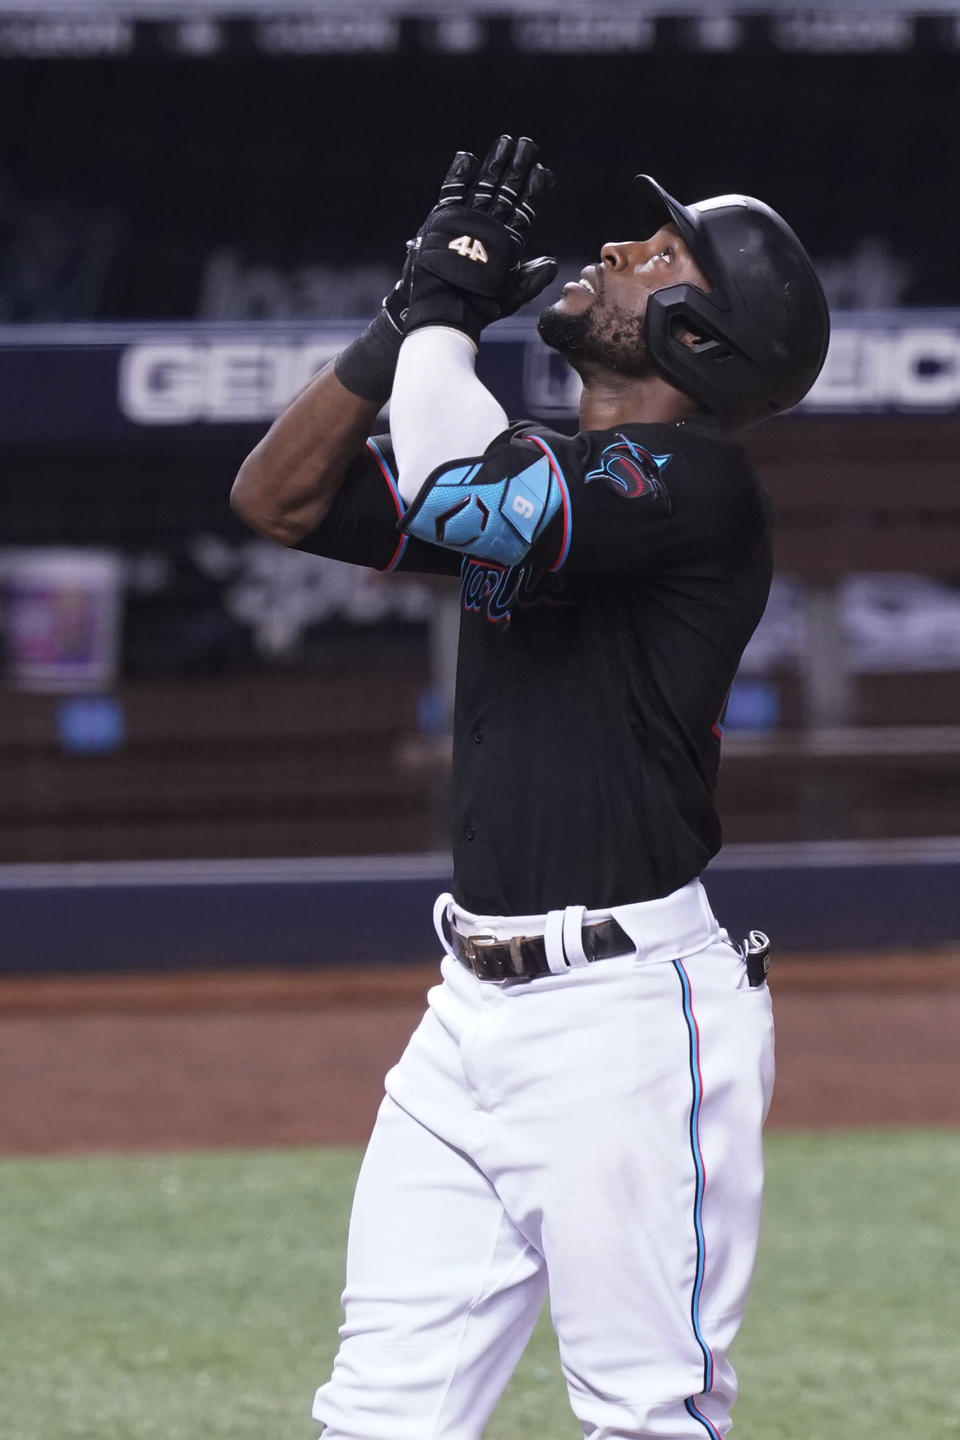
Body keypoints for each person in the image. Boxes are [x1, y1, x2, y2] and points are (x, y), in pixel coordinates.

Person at [231, 135, 830, 1440]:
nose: (620, 250)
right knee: (377, 1415)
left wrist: (446, 308)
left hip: (628, 1020)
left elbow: (464, 488)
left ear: (705, 345)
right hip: (468, 1022)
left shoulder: (700, 488)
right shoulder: (552, 470)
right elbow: (278, 498)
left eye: (665, 256)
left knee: (648, 1418)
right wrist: (405, 318)